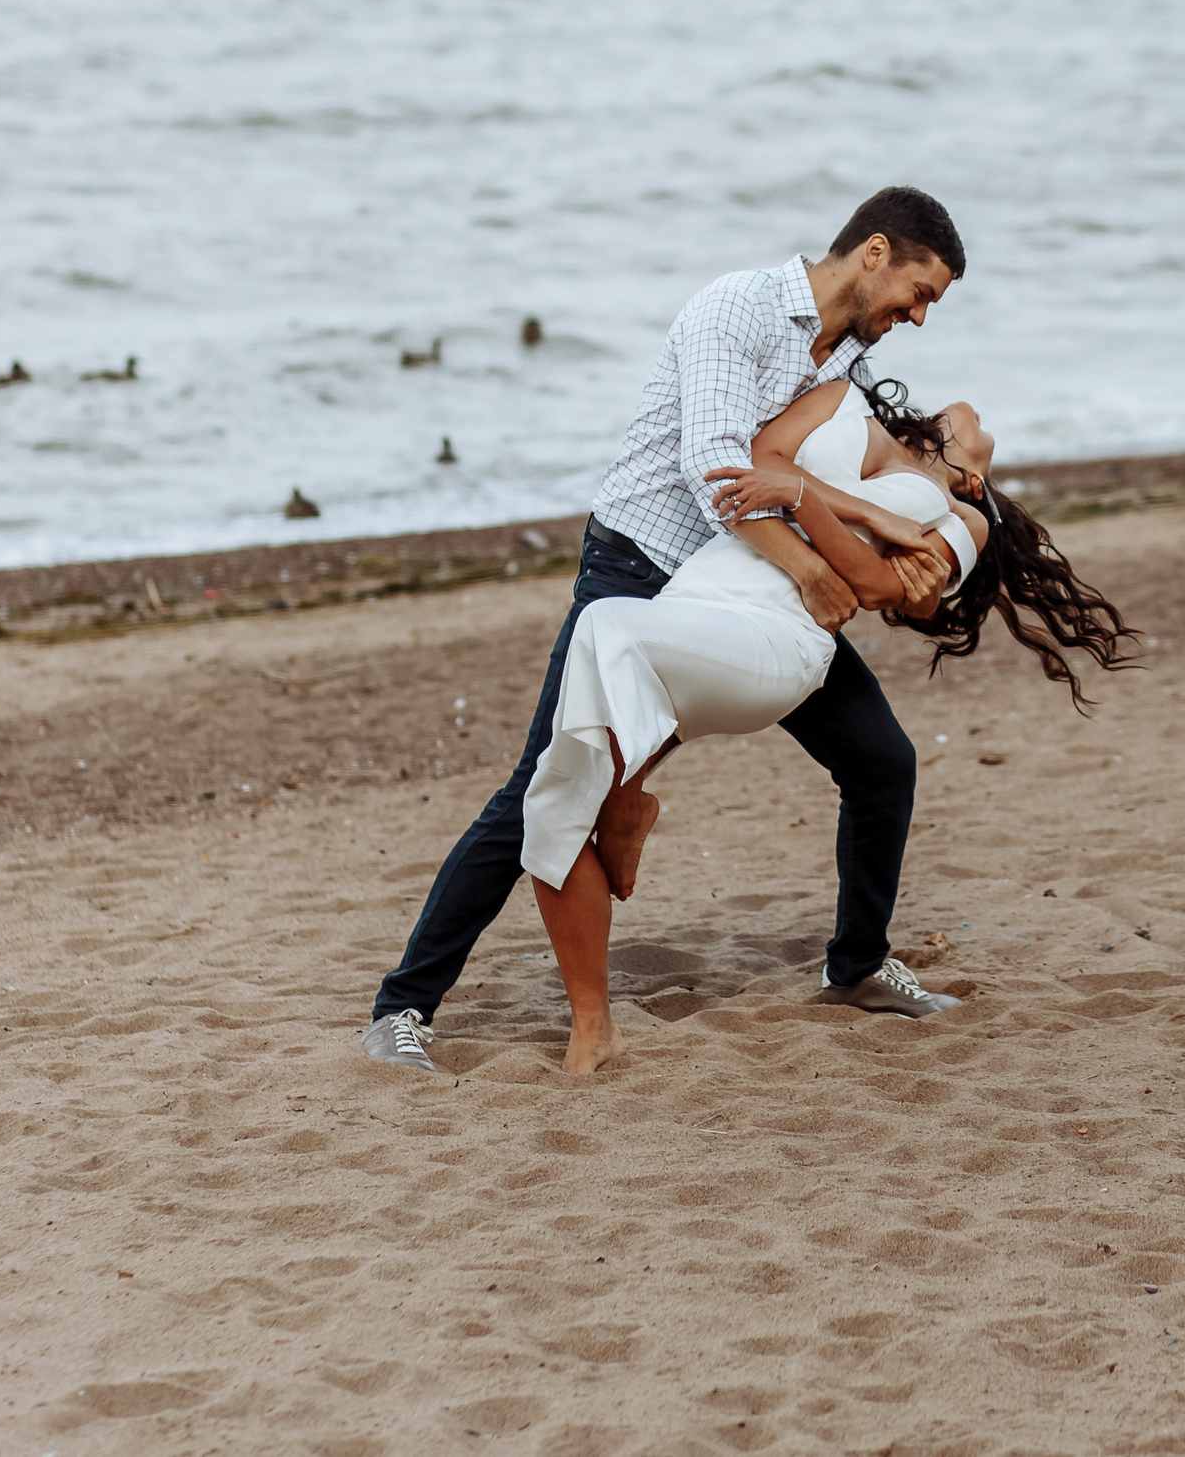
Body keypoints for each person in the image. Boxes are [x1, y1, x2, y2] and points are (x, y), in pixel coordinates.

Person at [362, 188, 964, 1071]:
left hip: (747, 592)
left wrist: (919, 534)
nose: (917, 316)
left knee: (882, 760)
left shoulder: (842, 369)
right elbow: (719, 468)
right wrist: (810, 568)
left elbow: (805, 475)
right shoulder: (739, 308)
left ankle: (858, 964)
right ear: (875, 252)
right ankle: (401, 1008)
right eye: (919, 292)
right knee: (541, 783)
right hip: (641, 573)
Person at [520, 377, 1136, 1072]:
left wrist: (802, 498)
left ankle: (627, 795)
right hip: (697, 597)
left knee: (601, 625)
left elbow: (873, 586)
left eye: (987, 443)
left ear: (975, 478)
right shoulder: (842, 400)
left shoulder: (966, 522)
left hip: (778, 640)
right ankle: (593, 1021)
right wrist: (807, 496)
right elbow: (758, 460)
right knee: (552, 793)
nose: (978, 413)